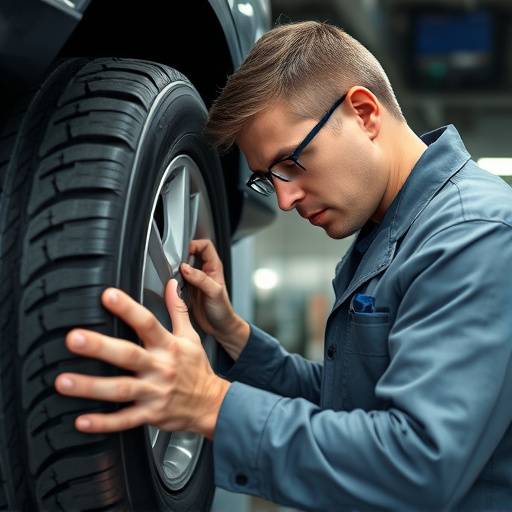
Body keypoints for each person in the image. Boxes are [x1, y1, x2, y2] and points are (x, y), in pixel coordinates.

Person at [54, 20, 512, 511]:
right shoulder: (389, 234)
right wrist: (232, 334)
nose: (286, 198)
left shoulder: (471, 234)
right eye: (268, 180)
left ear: (363, 112)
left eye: (291, 163)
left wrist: (212, 402)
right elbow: (346, 403)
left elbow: (417, 465)